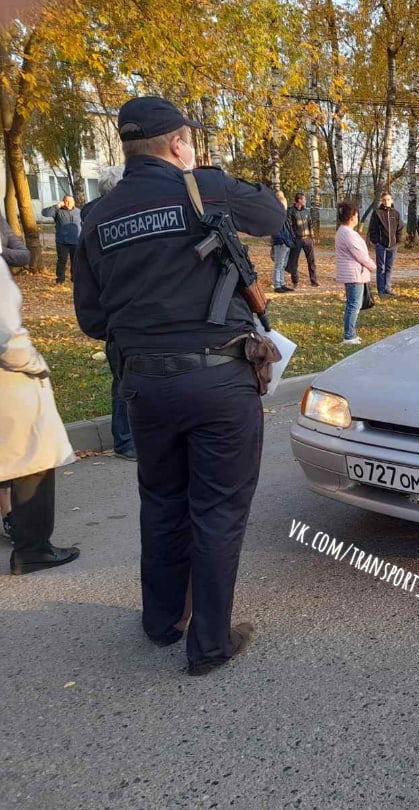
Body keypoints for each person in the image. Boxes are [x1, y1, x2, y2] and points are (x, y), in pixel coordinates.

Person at [72, 96, 285, 675]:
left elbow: (92, 320)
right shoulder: (204, 188)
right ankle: (210, 645)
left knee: (162, 503)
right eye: (189, 138)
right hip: (218, 380)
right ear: (176, 144)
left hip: (143, 385)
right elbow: (271, 216)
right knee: (217, 509)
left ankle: (162, 622)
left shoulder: (96, 216)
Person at [1, 212, 81, 575]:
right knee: (32, 462)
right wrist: (34, 362)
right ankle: (32, 548)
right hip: (10, 381)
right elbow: (6, 336)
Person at [82, 165, 137, 461]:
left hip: (115, 315)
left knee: (126, 378)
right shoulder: (107, 220)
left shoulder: (94, 216)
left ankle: (129, 438)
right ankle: (125, 441)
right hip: (119, 313)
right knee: (124, 381)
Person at [335, 200, 376, 345]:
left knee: (353, 304)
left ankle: (350, 333)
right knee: (354, 305)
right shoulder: (348, 234)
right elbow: (360, 255)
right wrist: (373, 266)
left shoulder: (345, 231)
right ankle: (349, 335)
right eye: (357, 215)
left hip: (354, 273)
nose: (358, 218)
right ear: (352, 217)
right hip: (354, 274)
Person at [368, 190, 403, 297]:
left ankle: (388, 287)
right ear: (381, 201)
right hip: (381, 245)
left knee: (389, 267)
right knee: (381, 267)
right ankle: (381, 290)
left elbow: (399, 228)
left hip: (393, 245)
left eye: (388, 199)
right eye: (384, 200)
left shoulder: (395, 213)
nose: (386, 202)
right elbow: (372, 228)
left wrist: (398, 240)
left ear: (391, 200)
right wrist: (376, 242)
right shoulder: (377, 213)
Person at [286, 191, 319, 288]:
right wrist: (292, 237)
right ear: (299, 200)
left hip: (307, 239)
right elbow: (289, 225)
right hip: (297, 239)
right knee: (294, 261)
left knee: (311, 260)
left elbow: (310, 224)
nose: (305, 201)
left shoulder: (306, 211)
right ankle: (295, 281)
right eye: (304, 199)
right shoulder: (291, 211)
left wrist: (312, 238)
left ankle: (314, 281)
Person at [53, 194, 81, 284]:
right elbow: (45, 213)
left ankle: (75, 278)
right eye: (66, 201)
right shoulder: (58, 211)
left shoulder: (79, 212)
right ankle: (60, 279)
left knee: (75, 261)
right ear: (63, 202)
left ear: (74, 202)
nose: (68, 203)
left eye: (70, 201)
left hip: (75, 241)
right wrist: (57, 206)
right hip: (62, 241)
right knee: (62, 261)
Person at [270, 190, 294, 292]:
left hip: (286, 241)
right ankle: (277, 284)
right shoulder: (276, 215)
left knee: (283, 264)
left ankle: (282, 283)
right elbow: (275, 230)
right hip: (281, 242)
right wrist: (282, 240)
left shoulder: (284, 215)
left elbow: (288, 228)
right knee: (279, 264)